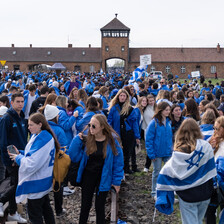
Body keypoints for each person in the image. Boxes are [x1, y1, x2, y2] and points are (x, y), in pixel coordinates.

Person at [155, 118, 217, 224]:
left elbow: (169, 170)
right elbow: (211, 169)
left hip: (187, 195)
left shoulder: (179, 151)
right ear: (197, 130)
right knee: (198, 220)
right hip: (205, 192)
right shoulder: (206, 146)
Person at [68, 114, 124, 224]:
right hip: (88, 177)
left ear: (102, 127)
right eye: (89, 125)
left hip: (103, 178)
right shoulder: (86, 140)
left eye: (94, 126)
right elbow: (74, 156)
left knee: (99, 207)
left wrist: (116, 182)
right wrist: (77, 140)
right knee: (85, 206)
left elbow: (118, 163)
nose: (90, 128)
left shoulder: (112, 142)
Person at [9, 113, 60, 224]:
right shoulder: (42, 135)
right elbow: (33, 154)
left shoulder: (42, 139)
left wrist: (18, 158)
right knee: (46, 209)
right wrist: (21, 153)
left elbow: (31, 163)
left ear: (40, 124)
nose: (28, 128)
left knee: (35, 215)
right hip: (44, 181)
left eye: (31, 125)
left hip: (36, 184)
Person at [0, 92, 28, 223]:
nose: (21, 104)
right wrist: (8, 160)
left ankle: (12, 211)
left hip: (20, 157)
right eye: (18, 101)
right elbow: (3, 142)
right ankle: (1, 200)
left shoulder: (22, 116)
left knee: (15, 184)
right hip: (12, 159)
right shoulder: (7, 118)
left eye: (22, 101)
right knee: (16, 184)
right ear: (11, 103)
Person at [108, 89, 140, 174]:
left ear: (126, 97)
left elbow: (134, 123)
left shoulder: (130, 109)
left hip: (128, 133)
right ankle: (118, 169)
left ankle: (126, 168)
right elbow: (109, 122)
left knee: (127, 152)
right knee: (118, 152)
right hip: (116, 133)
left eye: (124, 96)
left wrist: (137, 136)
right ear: (118, 97)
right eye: (121, 95)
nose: (122, 97)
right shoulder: (114, 108)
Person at [145, 102, 172, 199]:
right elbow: (149, 139)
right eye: (166, 110)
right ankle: (154, 192)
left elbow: (170, 138)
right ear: (161, 110)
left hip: (168, 152)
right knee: (157, 173)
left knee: (169, 173)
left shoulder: (168, 122)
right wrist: (151, 154)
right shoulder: (154, 123)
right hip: (157, 153)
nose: (168, 112)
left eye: (169, 110)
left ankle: (168, 193)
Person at [205, 116, 224, 223]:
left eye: (217, 128)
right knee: (210, 210)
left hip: (222, 183)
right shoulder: (213, 141)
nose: (215, 131)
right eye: (214, 128)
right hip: (213, 182)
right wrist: (210, 148)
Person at [142, 94, 156, 172]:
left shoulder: (156, 108)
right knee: (149, 148)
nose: (151, 102)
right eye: (150, 101)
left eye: (152, 100)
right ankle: (147, 165)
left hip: (156, 131)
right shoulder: (146, 109)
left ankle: (154, 165)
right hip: (148, 130)